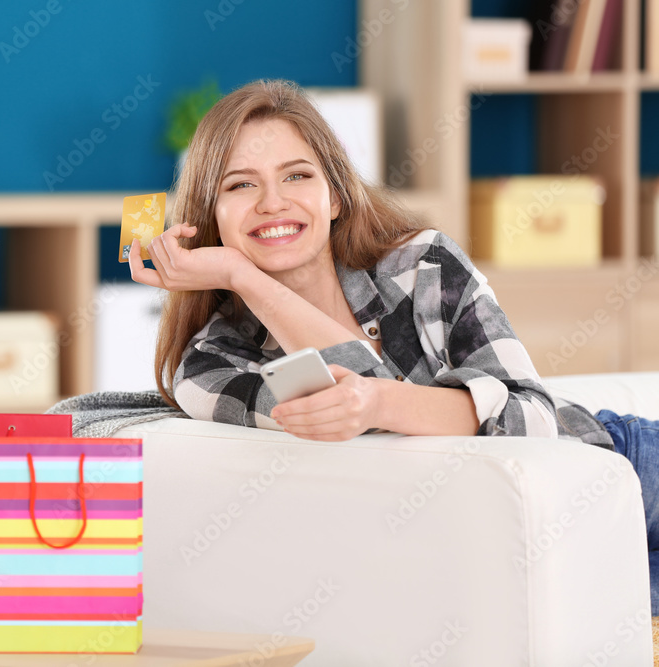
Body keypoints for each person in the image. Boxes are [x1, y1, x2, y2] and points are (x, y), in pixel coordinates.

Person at [127, 78, 659, 612]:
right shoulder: (212, 367)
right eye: (240, 186)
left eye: (297, 175)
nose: (273, 202)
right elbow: (355, 412)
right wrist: (243, 278)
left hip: (614, 461)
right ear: (209, 216)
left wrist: (379, 401)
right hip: (519, 554)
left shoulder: (422, 264)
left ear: (334, 197)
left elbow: (532, 419)